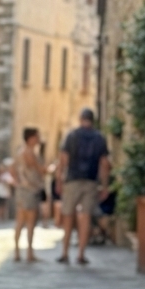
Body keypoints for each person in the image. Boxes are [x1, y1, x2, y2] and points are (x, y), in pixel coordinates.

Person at [56, 108, 110, 266]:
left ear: (81, 119)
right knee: (85, 217)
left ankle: (65, 253)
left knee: (68, 216)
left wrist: (59, 180)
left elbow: (63, 159)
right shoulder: (100, 138)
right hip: (91, 181)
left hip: (72, 180)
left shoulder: (72, 136)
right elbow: (104, 164)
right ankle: (81, 254)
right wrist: (104, 186)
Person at [13, 127, 46, 261]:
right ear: (31, 138)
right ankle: (29, 253)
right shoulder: (29, 153)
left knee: (20, 222)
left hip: (23, 189)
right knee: (30, 223)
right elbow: (40, 170)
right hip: (30, 190)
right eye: (37, 136)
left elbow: (12, 168)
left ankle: (17, 252)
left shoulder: (20, 152)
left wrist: (18, 182)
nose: (39, 139)